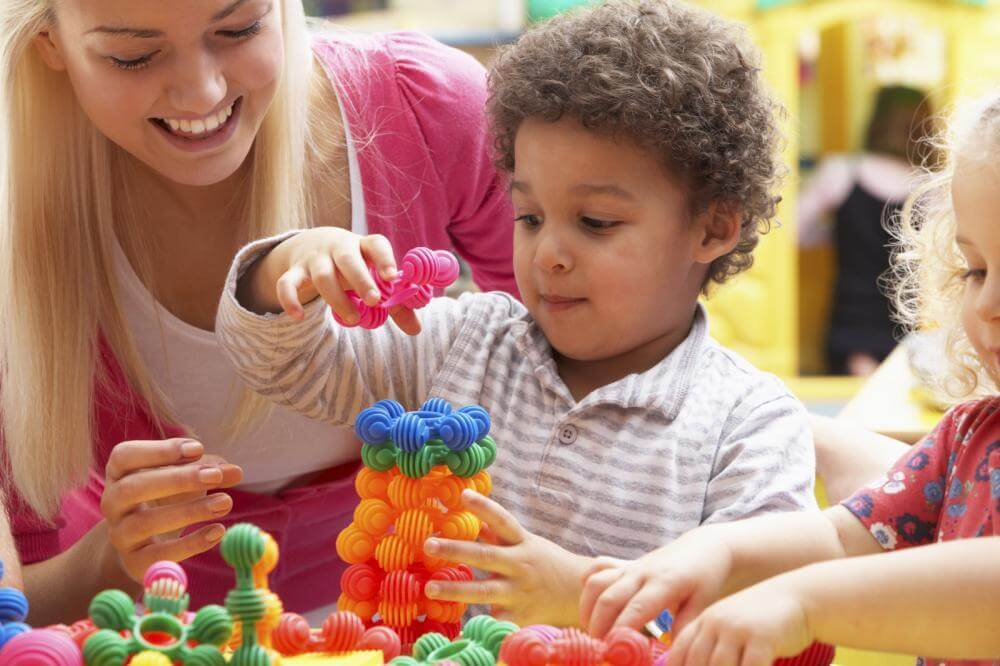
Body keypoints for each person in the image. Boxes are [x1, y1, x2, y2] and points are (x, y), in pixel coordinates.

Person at [216, 0, 816, 627]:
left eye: (595, 222)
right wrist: (288, 264)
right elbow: (287, 367)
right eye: (529, 217)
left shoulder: (749, 424)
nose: (548, 253)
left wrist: (581, 595)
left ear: (713, 228)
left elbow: (770, 618)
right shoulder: (464, 342)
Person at [0, 0, 517, 622]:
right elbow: (19, 613)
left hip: (426, 612)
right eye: (133, 55)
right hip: (149, 631)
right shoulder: (15, 215)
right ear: (50, 44)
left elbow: (590, 361)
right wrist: (106, 559)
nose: (202, 92)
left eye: (240, 28)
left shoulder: (426, 109)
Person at [580, 91, 1000, 666]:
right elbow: (841, 538)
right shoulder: (969, 437)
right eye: (976, 269)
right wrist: (715, 551)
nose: (987, 303)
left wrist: (803, 602)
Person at [798, 86, 935, 376]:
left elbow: (792, 230)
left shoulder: (842, 172)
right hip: (909, 327)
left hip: (850, 325)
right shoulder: (931, 187)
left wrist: (840, 232)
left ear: (876, 122)